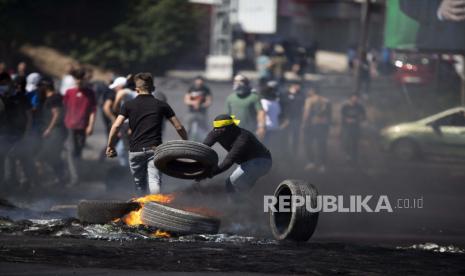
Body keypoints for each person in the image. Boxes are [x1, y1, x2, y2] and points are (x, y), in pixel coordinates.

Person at [106, 72, 187, 195]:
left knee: (139, 184)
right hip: (154, 149)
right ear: (152, 88)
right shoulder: (162, 105)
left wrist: (110, 146)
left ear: (136, 89)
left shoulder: (128, 105)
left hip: (135, 150)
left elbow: (116, 125)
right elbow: (179, 126)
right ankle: (156, 208)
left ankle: (142, 209)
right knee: (154, 180)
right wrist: (186, 141)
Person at [201, 114, 272, 194]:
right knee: (241, 184)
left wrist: (210, 173)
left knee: (231, 182)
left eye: (220, 129)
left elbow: (229, 160)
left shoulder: (243, 138)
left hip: (262, 161)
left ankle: (238, 204)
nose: (217, 132)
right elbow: (203, 148)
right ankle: (244, 200)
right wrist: (197, 167)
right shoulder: (216, 132)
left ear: (231, 128)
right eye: (216, 129)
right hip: (246, 163)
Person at [36, 78, 67, 183]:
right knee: (52, 157)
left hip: (55, 131)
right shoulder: (48, 98)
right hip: (51, 131)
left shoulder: (54, 98)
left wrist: (49, 129)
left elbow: (57, 114)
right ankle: (59, 178)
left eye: (40, 86)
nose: (39, 88)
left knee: (42, 157)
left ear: (46, 87)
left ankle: (42, 180)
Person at [63, 68, 97, 160]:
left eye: (81, 79)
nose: (78, 81)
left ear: (84, 79)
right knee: (72, 149)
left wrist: (90, 126)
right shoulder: (69, 92)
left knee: (79, 149)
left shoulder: (90, 93)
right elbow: (64, 109)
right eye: (77, 79)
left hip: (83, 126)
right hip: (70, 125)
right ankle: (73, 173)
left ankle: (77, 168)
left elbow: (93, 111)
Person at [224, 74, 266, 139]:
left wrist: (261, 127)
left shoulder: (254, 97)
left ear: (246, 83)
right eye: (235, 81)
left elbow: (260, 112)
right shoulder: (230, 98)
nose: (238, 83)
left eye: (241, 81)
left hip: (250, 131)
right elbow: (226, 115)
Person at [301, 87, 332, 173]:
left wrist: (303, 124)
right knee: (322, 145)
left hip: (312, 125)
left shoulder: (309, 100)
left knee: (308, 143)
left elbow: (306, 113)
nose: (308, 91)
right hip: (323, 125)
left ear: (313, 91)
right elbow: (329, 115)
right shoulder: (327, 101)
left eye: (310, 90)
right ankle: (322, 165)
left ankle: (311, 162)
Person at [280, 82, 305, 156]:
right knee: (285, 136)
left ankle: (294, 153)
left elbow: (303, 107)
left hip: (296, 119)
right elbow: (281, 107)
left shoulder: (301, 95)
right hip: (286, 119)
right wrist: (283, 119)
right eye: (297, 85)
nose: (299, 87)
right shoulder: (284, 95)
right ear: (293, 86)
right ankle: (285, 153)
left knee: (295, 137)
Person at [183, 76, 212, 141]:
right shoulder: (191, 88)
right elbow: (186, 100)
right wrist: (194, 103)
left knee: (204, 128)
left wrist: (200, 105)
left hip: (202, 113)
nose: (199, 84)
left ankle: (205, 141)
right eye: (198, 83)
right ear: (195, 82)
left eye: (200, 83)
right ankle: (185, 140)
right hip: (191, 112)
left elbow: (208, 101)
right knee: (187, 127)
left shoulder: (206, 89)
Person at [341, 93, 366, 163]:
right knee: (347, 142)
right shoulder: (345, 106)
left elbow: (364, 117)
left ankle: (355, 157)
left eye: (356, 97)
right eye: (353, 97)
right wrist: (346, 120)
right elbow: (342, 116)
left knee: (355, 142)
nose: (354, 99)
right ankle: (348, 155)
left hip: (356, 127)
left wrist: (357, 120)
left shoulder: (360, 106)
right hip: (347, 127)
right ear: (350, 98)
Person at [259, 81, 281, 151]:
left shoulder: (264, 102)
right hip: (275, 127)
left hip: (266, 128)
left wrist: (261, 127)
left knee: (264, 147)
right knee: (272, 147)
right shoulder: (276, 103)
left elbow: (262, 114)